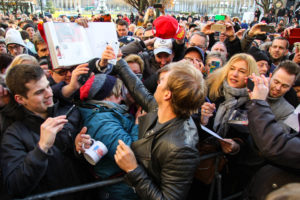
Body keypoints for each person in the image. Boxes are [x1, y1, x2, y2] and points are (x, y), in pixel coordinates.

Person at [113, 59, 206, 200]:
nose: (157, 83)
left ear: (167, 94)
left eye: (162, 80)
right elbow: (138, 89)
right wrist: (119, 61)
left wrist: (133, 169)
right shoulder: (160, 108)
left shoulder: (181, 148)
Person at [0, 64, 92, 199]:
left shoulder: (69, 111)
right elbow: (15, 186)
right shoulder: (13, 135)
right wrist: (42, 148)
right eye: (39, 92)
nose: (49, 94)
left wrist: (79, 148)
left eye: (48, 86)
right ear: (20, 99)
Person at [77, 74, 139, 200]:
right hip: (120, 190)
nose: (121, 97)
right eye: (118, 93)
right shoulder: (100, 121)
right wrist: (138, 123)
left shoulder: (104, 112)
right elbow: (130, 151)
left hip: (124, 185)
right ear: (106, 96)